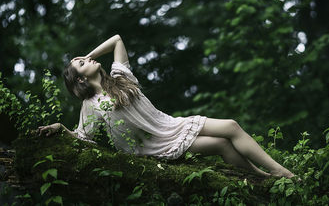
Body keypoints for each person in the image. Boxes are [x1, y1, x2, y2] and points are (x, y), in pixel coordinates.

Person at [37, 34, 295, 179]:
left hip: (170, 124)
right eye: (82, 64)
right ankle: (268, 176)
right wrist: (61, 128)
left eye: (86, 59)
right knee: (222, 142)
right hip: (153, 147)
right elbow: (84, 138)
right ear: (80, 79)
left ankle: (273, 174)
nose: (88, 60)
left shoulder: (120, 77)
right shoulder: (91, 105)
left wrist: (86, 56)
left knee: (230, 128)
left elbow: (117, 40)